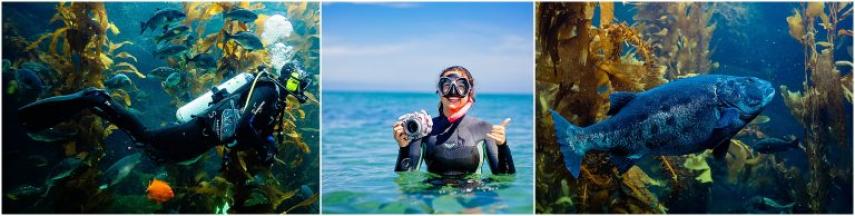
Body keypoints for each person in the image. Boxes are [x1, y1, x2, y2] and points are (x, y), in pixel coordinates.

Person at [17, 63, 312, 166]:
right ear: (291, 80)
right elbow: (246, 125)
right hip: (198, 132)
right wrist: (263, 148)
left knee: (154, 150)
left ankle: (93, 102)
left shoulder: (274, 99)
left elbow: (257, 127)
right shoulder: (269, 91)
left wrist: (268, 145)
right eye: (301, 83)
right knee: (145, 138)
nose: (301, 89)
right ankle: (95, 99)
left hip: (200, 138)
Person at [393, 66, 515, 177]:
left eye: (461, 86)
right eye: (446, 85)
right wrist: (404, 148)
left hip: (472, 194)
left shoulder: (485, 129)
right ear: (439, 91)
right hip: (432, 193)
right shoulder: (423, 129)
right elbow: (405, 178)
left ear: (469, 92)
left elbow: (505, 178)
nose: (453, 91)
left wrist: (503, 146)